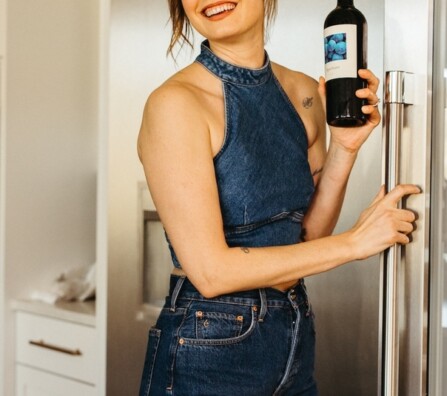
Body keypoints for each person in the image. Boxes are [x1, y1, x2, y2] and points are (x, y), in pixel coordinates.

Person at [137, 0, 420, 394]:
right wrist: (355, 242)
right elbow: (211, 272)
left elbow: (305, 240)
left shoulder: (303, 93)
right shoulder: (175, 104)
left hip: (293, 332)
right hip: (209, 346)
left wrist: (345, 148)